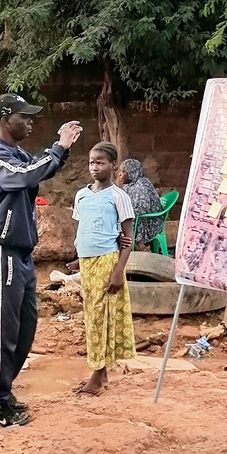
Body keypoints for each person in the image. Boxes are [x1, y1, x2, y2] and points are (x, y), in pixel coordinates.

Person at [0, 93, 82, 427]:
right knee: (5, 329)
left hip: (20, 252)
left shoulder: (17, 153)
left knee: (24, 329)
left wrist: (60, 151)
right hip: (1, 249)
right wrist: (59, 147)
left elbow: (35, 170)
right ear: (6, 119)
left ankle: (2, 392)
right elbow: (24, 175)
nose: (30, 121)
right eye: (24, 116)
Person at [72, 142, 137, 396]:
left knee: (101, 316)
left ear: (112, 166)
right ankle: (102, 372)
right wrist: (77, 257)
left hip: (106, 261)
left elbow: (128, 238)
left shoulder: (118, 197)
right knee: (92, 316)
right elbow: (83, 228)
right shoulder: (82, 195)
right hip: (87, 262)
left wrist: (119, 270)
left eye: (100, 162)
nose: (95, 167)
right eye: (91, 162)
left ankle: (97, 375)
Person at [119, 158, 164, 250]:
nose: (119, 174)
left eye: (123, 172)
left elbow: (142, 209)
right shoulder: (130, 184)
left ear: (132, 172)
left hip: (148, 222)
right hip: (139, 218)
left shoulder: (140, 186)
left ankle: (132, 251)